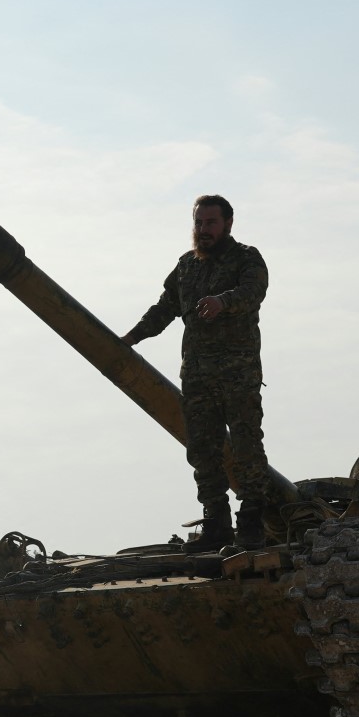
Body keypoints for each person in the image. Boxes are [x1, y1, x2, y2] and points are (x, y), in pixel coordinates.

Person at [122, 195, 270, 551]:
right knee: (203, 451)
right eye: (198, 223)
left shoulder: (246, 259)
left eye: (210, 223)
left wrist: (222, 302)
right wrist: (131, 338)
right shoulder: (187, 266)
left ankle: (252, 524)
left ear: (227, 224)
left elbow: (253, 291)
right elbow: (165, 308)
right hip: (198, 377)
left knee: (247, 448)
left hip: (237, 375)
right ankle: (216, 524)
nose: (203, 230)